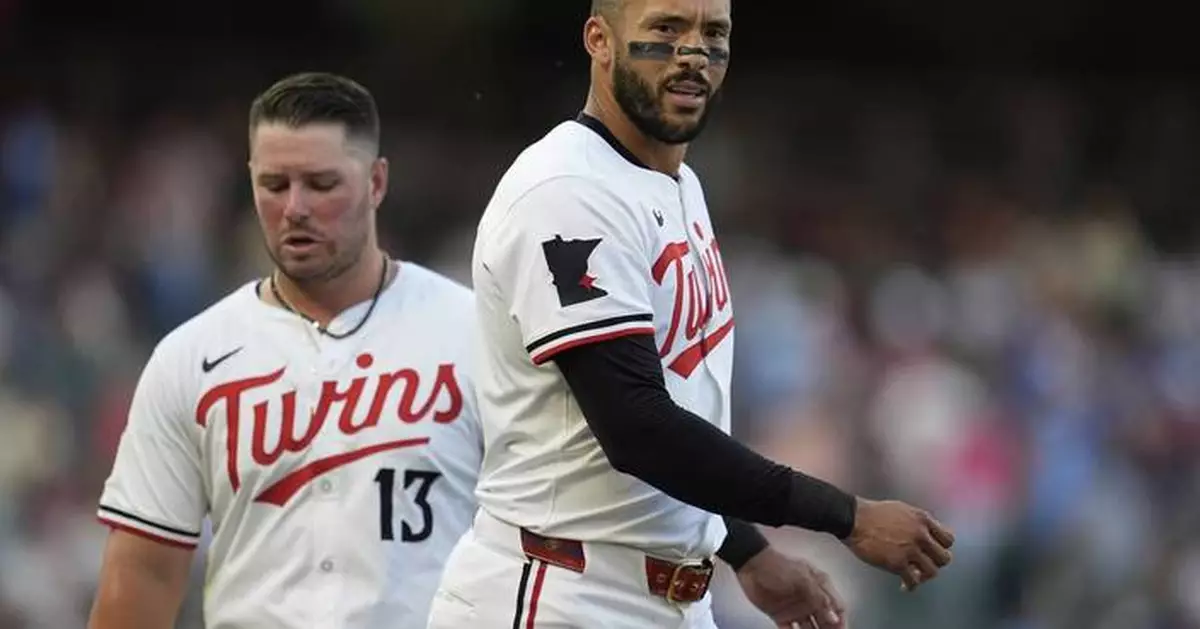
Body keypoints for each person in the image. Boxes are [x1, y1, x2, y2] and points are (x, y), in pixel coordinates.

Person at [426, 1, 956, 628]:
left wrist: (745, 550)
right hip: (560, 589)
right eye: (665, 31)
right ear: (599, 40)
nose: (692, 56)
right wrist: (846, 516)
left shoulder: (676, 182)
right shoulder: (567, 190)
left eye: (713, 34)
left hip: (660, 592)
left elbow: (677, 414)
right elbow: (637, 427)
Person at [87, 72, 484, 629]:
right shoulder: (192, 356)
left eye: (322, 184)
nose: (294, 207)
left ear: (375, 182)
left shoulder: (472, 333)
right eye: (274, 184)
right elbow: (143, 573)